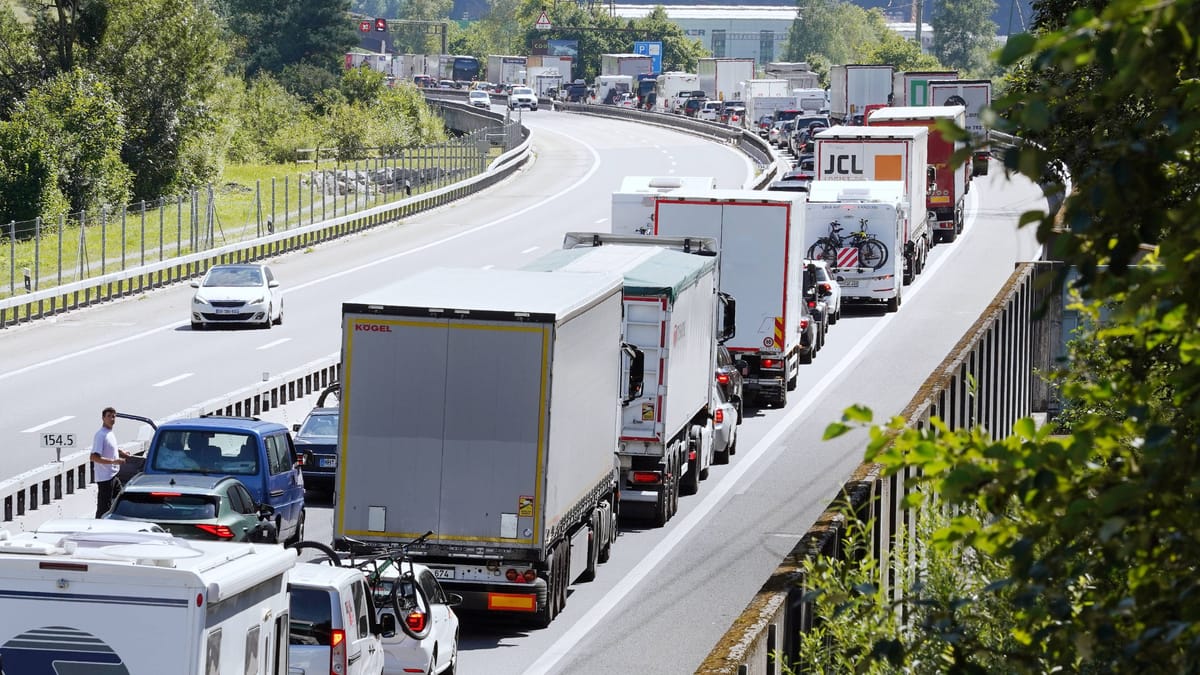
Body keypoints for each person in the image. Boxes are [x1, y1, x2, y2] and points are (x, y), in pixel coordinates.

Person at [91, 407, 130, 517]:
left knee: (122, 501)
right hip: (105, 479)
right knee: (104, 508)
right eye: (109, 416)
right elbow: (94, 457)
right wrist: (114, 461)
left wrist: (121, 452)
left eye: (114, 416)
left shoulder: (109, 433)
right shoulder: (100, 435)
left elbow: (110, 449)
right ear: (103, 418)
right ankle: (98, 528)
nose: (112, 418)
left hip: (113, 476)